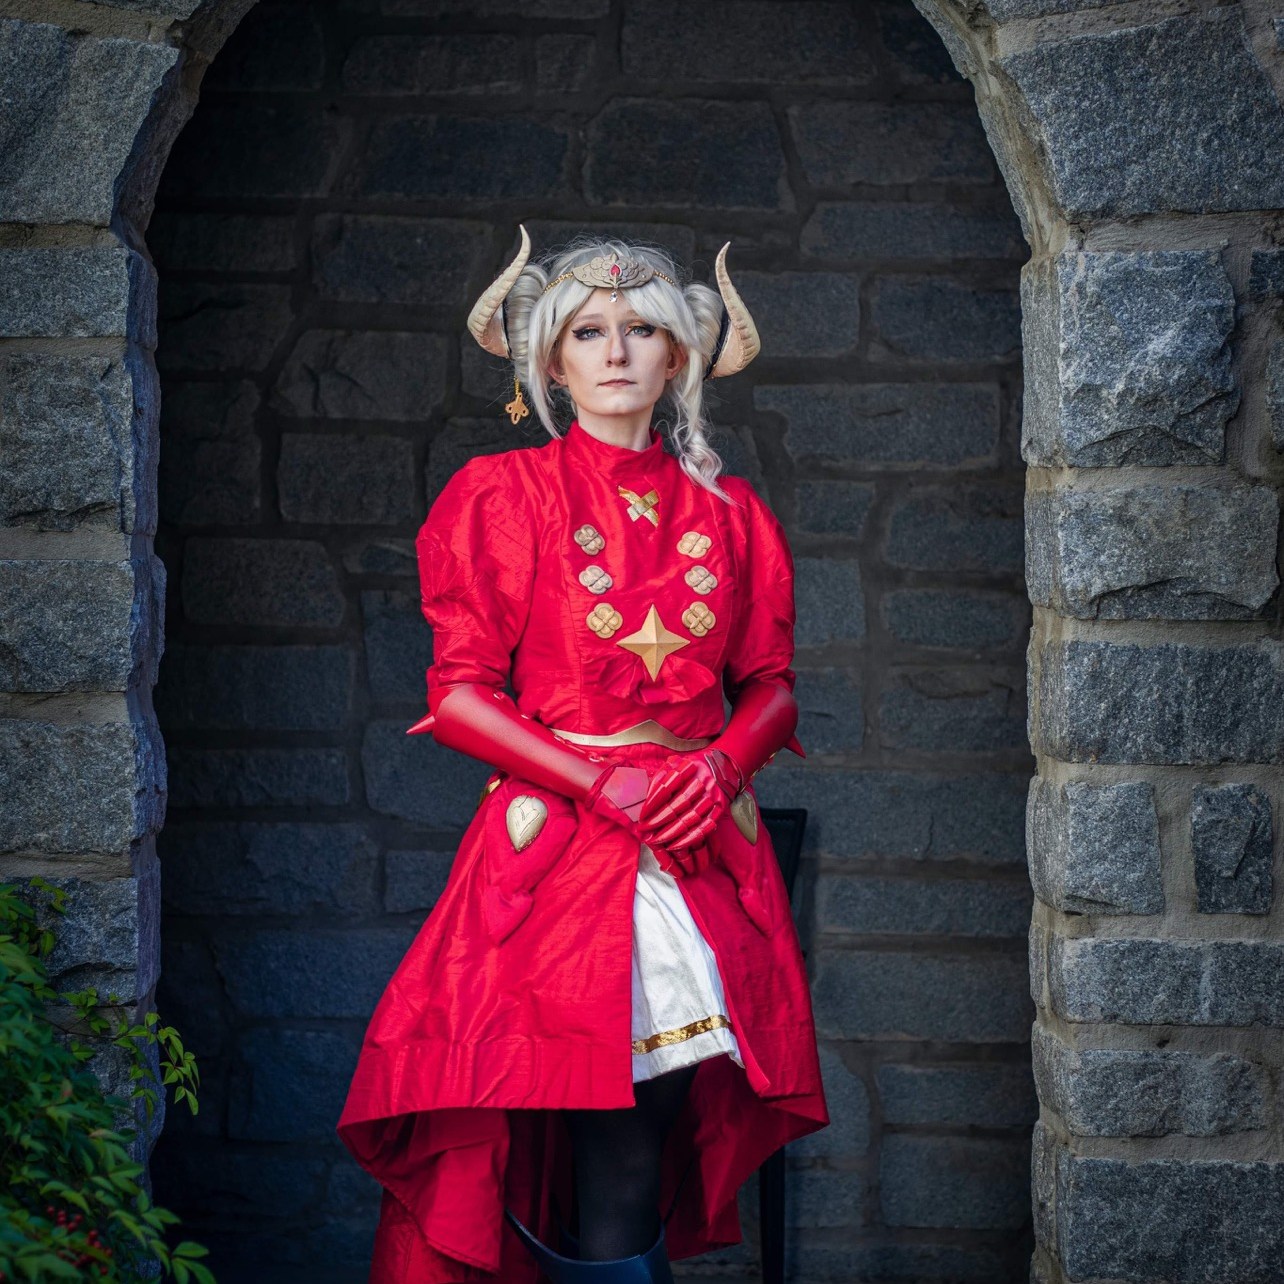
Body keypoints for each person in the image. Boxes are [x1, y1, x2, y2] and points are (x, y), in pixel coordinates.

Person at [337, 227, 828, 1284]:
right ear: (550, 362)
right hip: (555, 854)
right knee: (532, 1140)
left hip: (695, 856)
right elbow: (460, 698)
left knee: (633, 1149)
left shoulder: (734, 514)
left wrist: (721, 769)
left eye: (643, 329)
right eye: (589, 332)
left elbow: (772, 688)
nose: (616, 351)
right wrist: (596, 779)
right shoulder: (501, 497)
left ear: (681, 358)